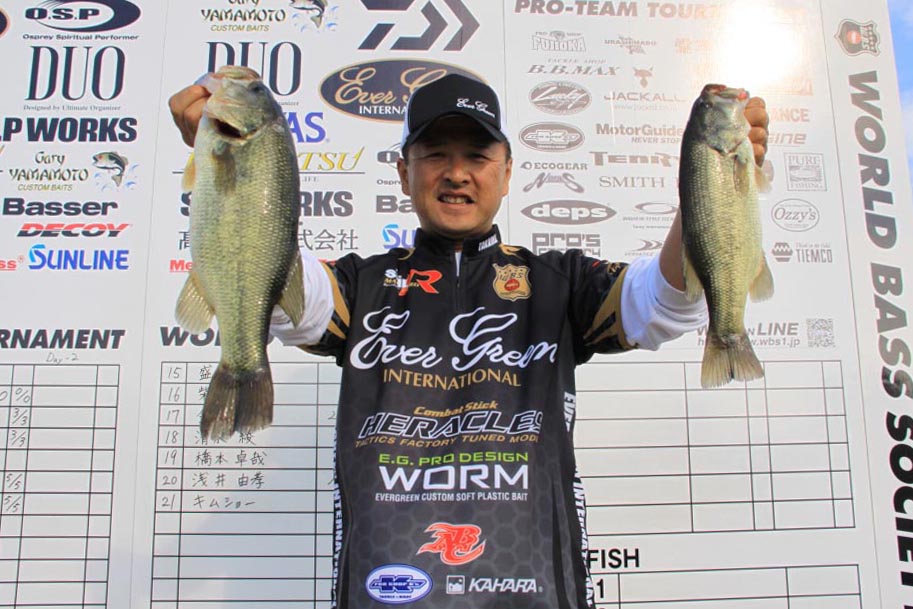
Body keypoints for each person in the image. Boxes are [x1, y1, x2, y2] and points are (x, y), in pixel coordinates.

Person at [170, 72, 769, 608]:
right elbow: (288, 299)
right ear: (403, 172)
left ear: (506, 173)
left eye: (478, 156)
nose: (456, 173)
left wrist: (708, 187)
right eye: (435, 154)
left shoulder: (558, 282)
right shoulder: (361, 284)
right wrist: (242, 167)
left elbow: (664, 303)